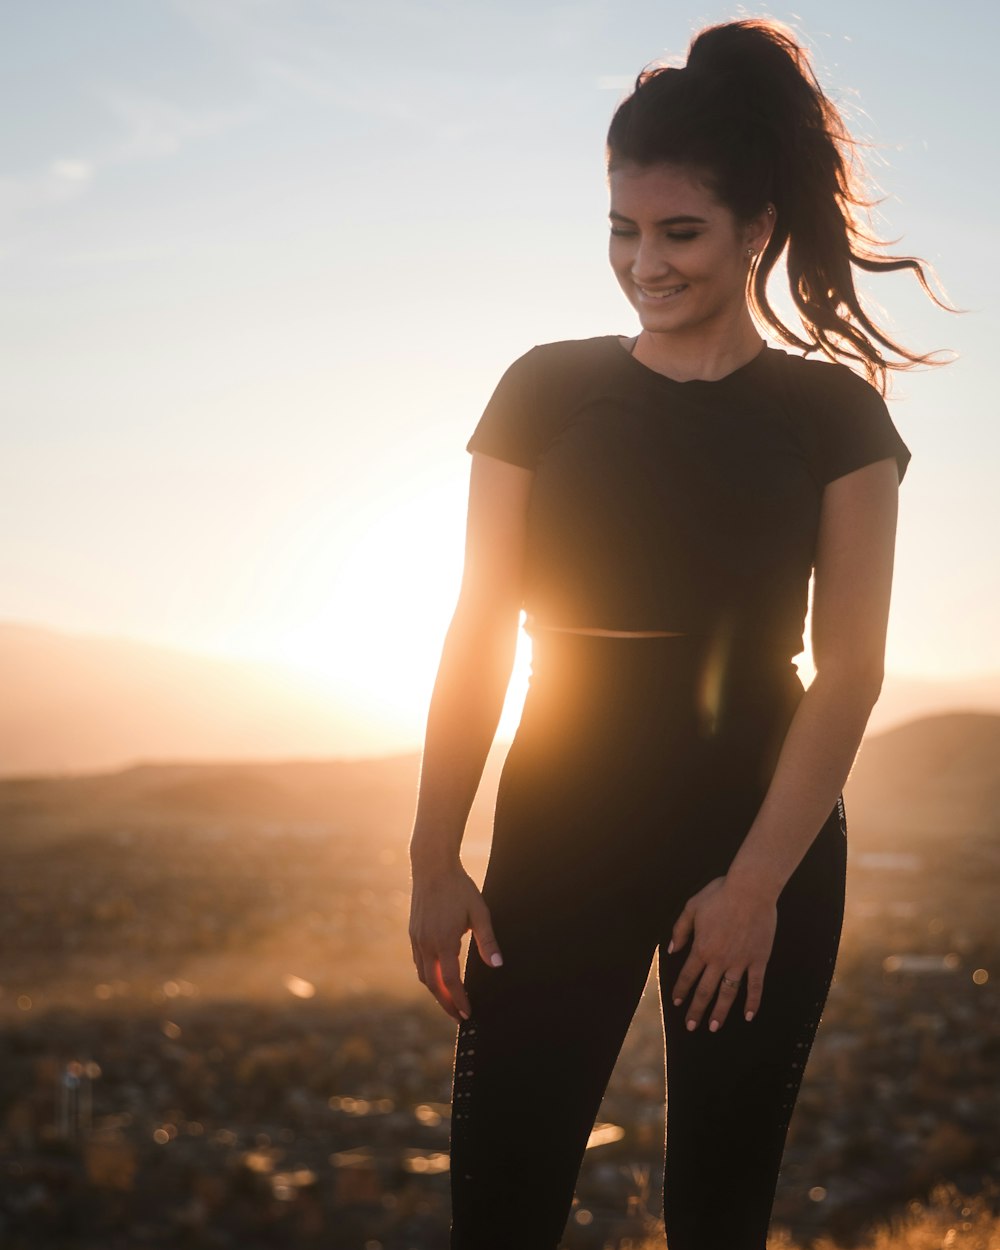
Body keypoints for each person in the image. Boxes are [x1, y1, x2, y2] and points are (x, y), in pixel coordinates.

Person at [408, 17, 953, 1250]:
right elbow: (478, 625)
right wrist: (433, 853)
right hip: (558, 821)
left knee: (717, 1212)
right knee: (500, 1202)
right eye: (620, 227)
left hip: (760, 837)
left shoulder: (834, 413)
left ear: (754, 227)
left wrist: (755, 883)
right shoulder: (543, 387)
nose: (641, 262)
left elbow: (850, 668)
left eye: (677, 231)